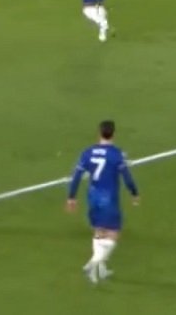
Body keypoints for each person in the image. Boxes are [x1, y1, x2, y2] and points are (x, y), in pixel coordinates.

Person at [66, 120, 140, 283]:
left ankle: (100, 270)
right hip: (109, 199)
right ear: (113, 134)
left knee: (99, 232)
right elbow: (127, 177)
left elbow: (76, 176)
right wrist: (134, 192)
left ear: (99, 133)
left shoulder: (88, 152)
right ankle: (93, 263)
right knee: (113, 234)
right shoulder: (116, 154)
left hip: (93, 197)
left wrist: (71, 197)